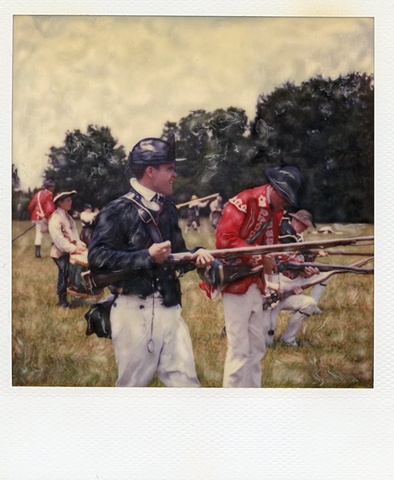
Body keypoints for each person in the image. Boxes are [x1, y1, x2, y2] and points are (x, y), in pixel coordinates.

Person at [88, 135, 214, 388]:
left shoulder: (167, 208)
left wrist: (197, 255)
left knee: (188, 385)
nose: (174, 175)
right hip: (134, 312)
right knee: (132, 389)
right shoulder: (116, 210)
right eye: (169, 168)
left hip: (170, 308)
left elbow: (176, 254)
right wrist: (146, 256)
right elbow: (97, 259)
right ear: (150, 171)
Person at [215, 165, 305, 387]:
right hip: (236, 283)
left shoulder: (276, 210)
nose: (285, 204)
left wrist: (292, 264)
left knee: (257, 347)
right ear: (273, 188)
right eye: (284, 197)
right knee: (238, 350)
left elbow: (270, 247)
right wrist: (259, 258)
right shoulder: (243, 201)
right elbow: (224, 241)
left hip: (257, 284)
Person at [264, 209, 322, 347]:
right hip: (267, 301)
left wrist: (305, 272)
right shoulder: (278, 245)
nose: (305, 228)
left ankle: (288, 339)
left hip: (282, 295)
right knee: (266, 343)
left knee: (310, 303)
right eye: (303, 224)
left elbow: (291, 271)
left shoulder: (293, 243)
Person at [48, 191, 87, 308]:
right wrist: (73, 248)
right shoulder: (55, 218)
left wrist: (79, 244)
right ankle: (62, 301)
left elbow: (74, 234)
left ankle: (76, 295)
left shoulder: (68, 217)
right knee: (63, 274)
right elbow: (58, 239)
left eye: (71, 200)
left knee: (73, 273)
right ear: (60, 203)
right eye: (68, 200)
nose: (71, 202)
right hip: (60, 253)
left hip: (70, 250)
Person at [27, 179, 56, 258]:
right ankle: (55, 252)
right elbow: (50, 209)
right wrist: (48, 216)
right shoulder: (49, 194)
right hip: (45, 216)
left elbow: (30, 207)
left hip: (36, 217)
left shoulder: (37, 194)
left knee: (38, 235)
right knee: (53, 233)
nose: (54, 188)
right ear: (49, 187)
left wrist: (34, 216)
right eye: (52, 186)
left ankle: (37, 254)